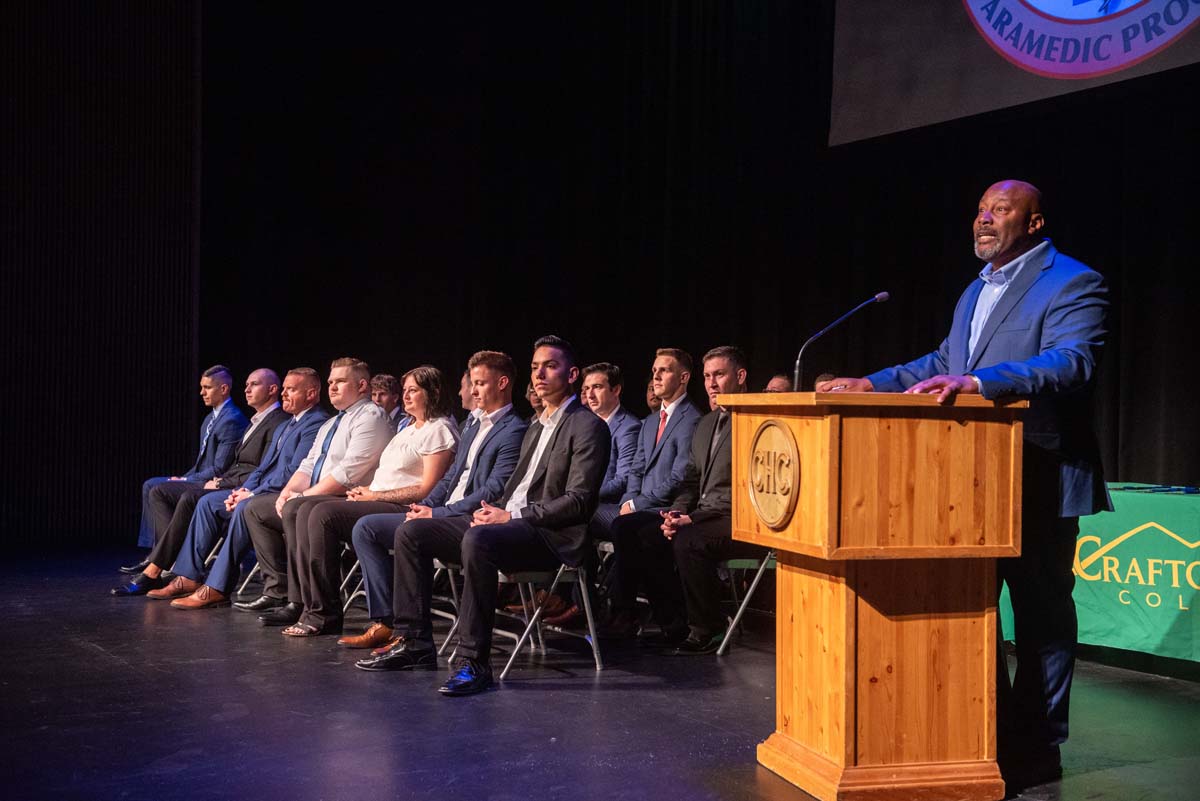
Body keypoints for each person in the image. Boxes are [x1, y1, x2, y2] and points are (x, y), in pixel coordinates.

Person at [817, 179, 1110, 787]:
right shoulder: (975, 290)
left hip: (1039, 473)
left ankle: (1038, 745)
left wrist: (981, 384)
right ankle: (990, 736)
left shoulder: (1073, 280)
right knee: (974, 614)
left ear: (1033, 223)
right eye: (979, 210)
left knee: (1041, 616)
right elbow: (944, 362)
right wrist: (873, 383)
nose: (983, 219)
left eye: (999, 210)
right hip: (968, 483)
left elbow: (1071, 360)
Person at [355, 335, 609, 697]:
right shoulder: (537, 425)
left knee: (479, 539)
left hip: (550, 533)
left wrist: (511, 515)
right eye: (535, 367)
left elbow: (579, 501)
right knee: (413, 532)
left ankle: (474, 661)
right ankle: (415, 645)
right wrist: (493, 511)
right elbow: (515, 485)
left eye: (550, 366)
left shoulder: (587, 426)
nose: (539, 374)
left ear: (572, 374)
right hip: (510, 521)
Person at [342, 351, 528, 649]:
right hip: (443, 512)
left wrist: (439, 513)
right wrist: (428, 506)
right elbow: (449, 477)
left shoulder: (514, 430)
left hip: (470, 518)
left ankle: (413, 639)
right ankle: (387, 622)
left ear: (503, 383)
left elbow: (494, 488)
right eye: (474, 383)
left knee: (410, 532)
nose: (473, 390)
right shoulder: (474, 425)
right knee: (367, 528)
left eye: (481, 383)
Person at [277, 366, 459, 637]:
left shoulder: (439, 429)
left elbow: (426, 489)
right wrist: (367, 490)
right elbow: (391, 475)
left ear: (432, 393)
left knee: (322, 514)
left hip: (402, 506)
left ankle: (325, 613)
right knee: (304, 508)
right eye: (405, 390)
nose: (406, 396)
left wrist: (374, 495)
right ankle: (310, 605)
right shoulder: (407, 428)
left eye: (413, 390)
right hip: (377, 496)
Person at [147, 369, 328, 607]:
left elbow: (293, 472)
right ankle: (188, 576)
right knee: (206, 502)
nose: (284, 393)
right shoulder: (288, 424)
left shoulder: (315, 422)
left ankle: (218, 587)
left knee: (243, 507)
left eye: (291, 389)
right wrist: (244, 490)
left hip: (285, 494)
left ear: (312, 394)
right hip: (261, 490)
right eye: (284, 388)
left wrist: (251, 493)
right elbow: (263, 467)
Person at [112, 368, 288, 596]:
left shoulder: (273, 422)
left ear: (272, 389)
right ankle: (165, 565)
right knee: (160, 488)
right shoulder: (254, 421)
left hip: (242, 489)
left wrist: (224, 484)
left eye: (253, 384)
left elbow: (261, 469)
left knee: (189, 497)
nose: (246, 389)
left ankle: (163, 568)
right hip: (229, 483)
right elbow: (241, 465)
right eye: (246, 384)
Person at [603, 348, 702, 637]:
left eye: (665, 370)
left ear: (683, 378)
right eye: (655, 370)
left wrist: (637, 503)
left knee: (629, 531)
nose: (656, 375)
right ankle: (628, 611)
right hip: (640, 507)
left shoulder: (691, 419)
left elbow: (679, 476)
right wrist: (628, 500)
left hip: (670, 506)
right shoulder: (650, 422)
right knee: (613, 524)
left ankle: (623, 611)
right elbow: (636, 470)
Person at [122, 365, 249, 573]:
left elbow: (219, 467)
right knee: (151, 484)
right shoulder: (210, 419)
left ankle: (164, 557)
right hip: (200, 477)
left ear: (224, 389)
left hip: (215, 482)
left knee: (157, 489)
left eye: (207, 387)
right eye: (202, 387)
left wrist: (186, 481)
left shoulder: (232, 419)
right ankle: (158, 553)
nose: (202, 393)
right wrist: (182, 477)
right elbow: (201, 462)